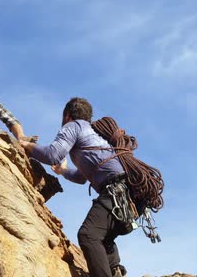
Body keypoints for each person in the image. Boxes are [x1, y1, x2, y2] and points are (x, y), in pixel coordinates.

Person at [20, 97, 129, 277]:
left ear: (67, 116)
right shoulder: (95, 136)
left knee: (88, 235)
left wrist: (27, 146)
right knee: (103, 236)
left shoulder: (74, 126)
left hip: (115, 191)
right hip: (129, 194)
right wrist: (63, 171)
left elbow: (53, 154)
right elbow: (81, 178)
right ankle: (113, 268)